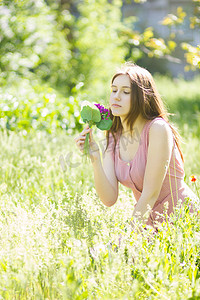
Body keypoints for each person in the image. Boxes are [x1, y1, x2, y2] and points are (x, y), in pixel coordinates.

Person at [75, 62, 198, 228]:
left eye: (125, 92)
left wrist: (126, 240)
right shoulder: (113, 136)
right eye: (113, 90)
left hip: (183, 222)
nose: (116, 96)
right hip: (146, 224)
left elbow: (150, 194)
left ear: (142, 97)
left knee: (115, 252)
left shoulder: (157, 129)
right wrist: (95, 157)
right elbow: (109, 198)